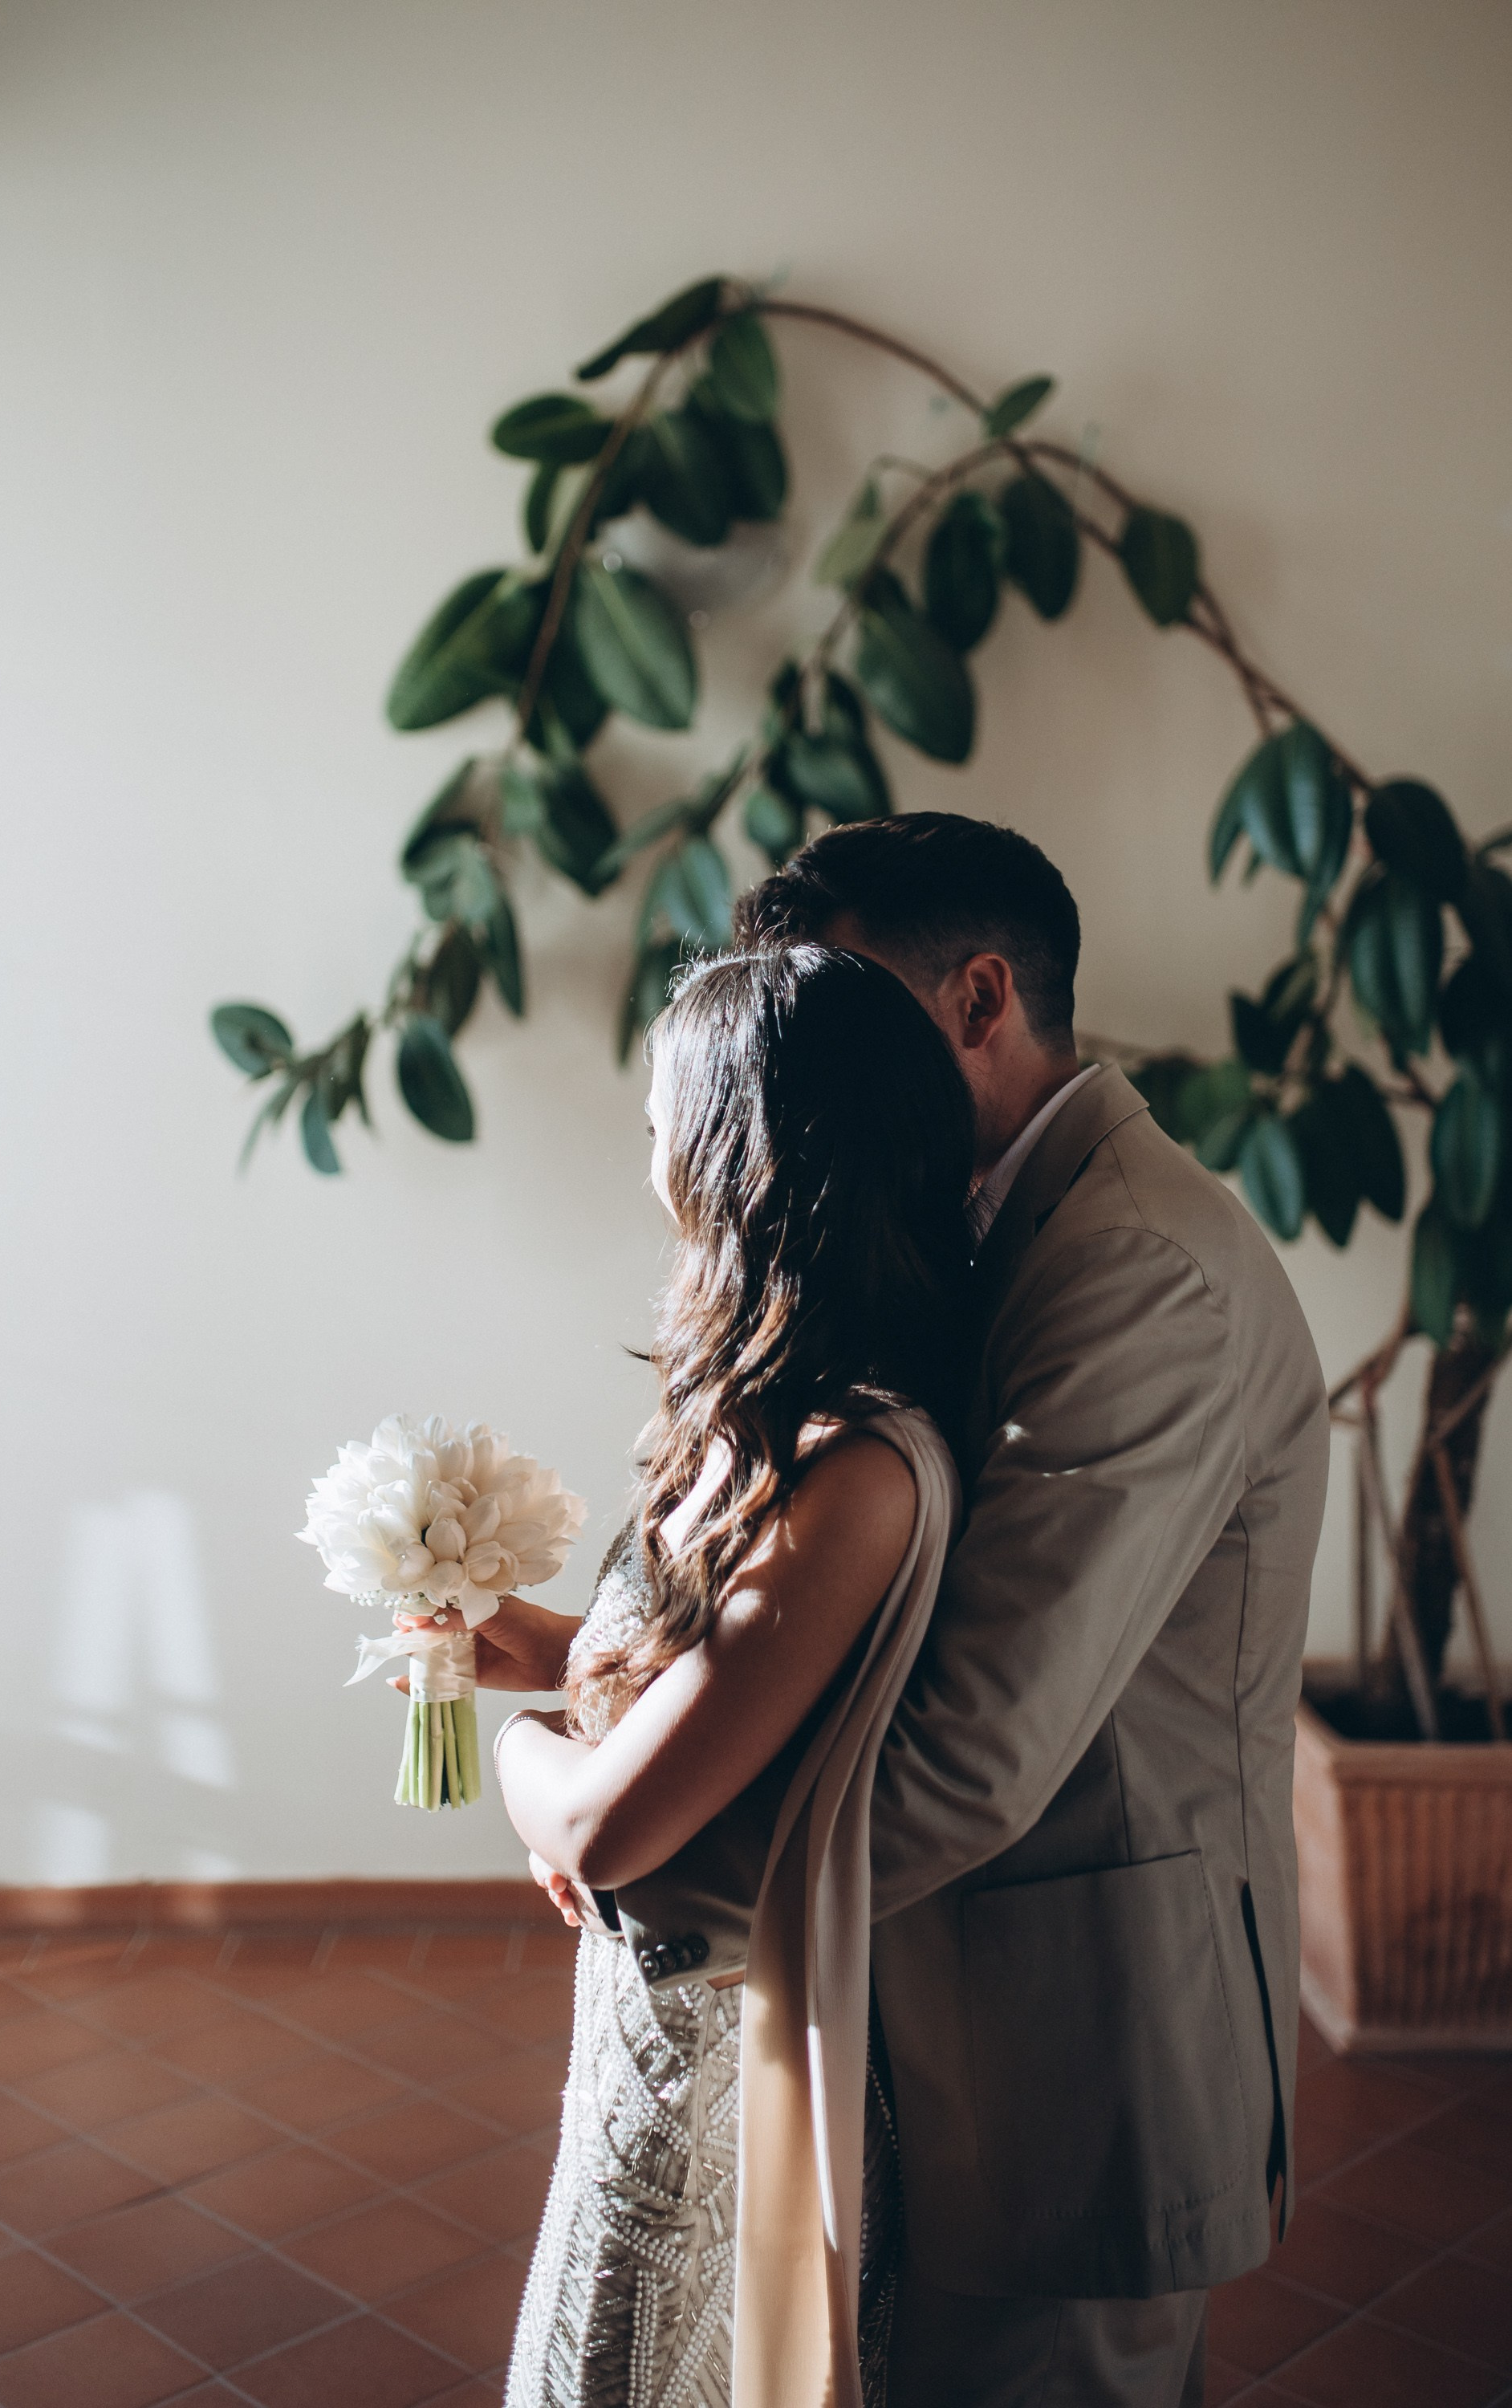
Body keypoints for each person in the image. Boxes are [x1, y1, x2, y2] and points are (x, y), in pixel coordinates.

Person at [612, 814, 1331, 2408]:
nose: (824, 1060)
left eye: (856, 1005)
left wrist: (642, 1852)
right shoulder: (1004, 1218)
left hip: (1077, 2034)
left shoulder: (1137, 1267)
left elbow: (975, 1754)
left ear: (980, 999)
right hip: (970, 2006)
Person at [471, 942, 980, 2408]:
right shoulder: (789, 1424)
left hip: (720, 2052)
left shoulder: (863, 1470)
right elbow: (735, 1702)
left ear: (740, 1155)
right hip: (645, 2015)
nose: (647, 1163)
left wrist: (522, 1753)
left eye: (658, 1125)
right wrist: (552, 1650)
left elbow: (606, 1827)